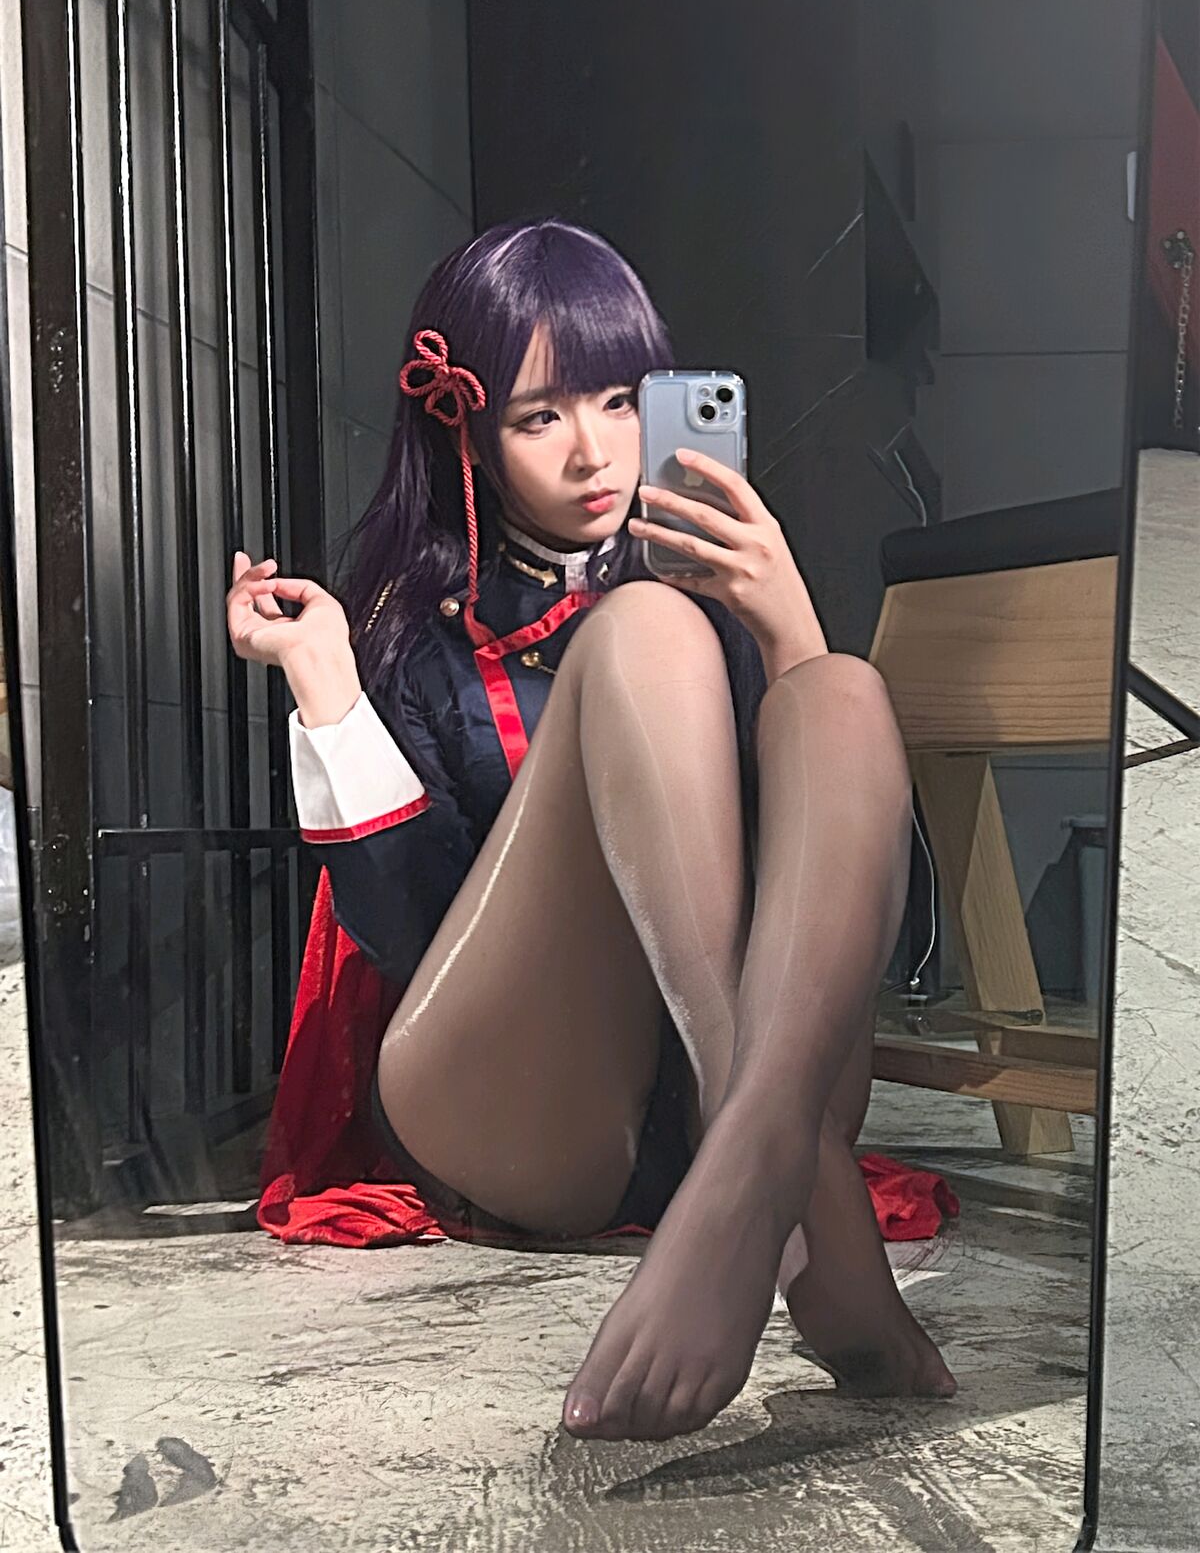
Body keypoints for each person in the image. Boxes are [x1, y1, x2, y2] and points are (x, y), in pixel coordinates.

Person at [228, 217, 957, 1444]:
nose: (594, 452)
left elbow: (855, 912)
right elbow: (409, 937)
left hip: (721, 1113)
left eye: (622, 401)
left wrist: (787, 626)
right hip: (527, 1113)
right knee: (644, 632)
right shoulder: (417, 638)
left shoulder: (721, 601)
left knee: (841, 690)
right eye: (539, 417)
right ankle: (789, 1199)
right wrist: (326, 683)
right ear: (465, 433)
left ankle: (744, 1182)